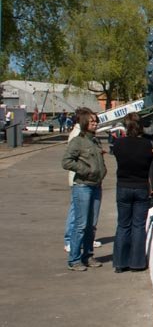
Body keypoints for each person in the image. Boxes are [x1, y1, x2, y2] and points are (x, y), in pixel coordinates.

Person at [61, 109, 106, 271]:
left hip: (96, 185)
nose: (96, 124)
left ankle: (88, 255)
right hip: (83, 186)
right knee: (80, 224)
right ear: (85, 123)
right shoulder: (77, 141)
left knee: (91, 225)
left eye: (96, 121)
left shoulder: (95, 140)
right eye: (93, 121)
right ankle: (74, 259)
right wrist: (85, 169)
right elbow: (66, 162)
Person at [111, 112, 153, 273]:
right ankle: (137, 263)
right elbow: (151, 162)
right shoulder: (147, 145)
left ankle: (120, 263)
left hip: (123, 185)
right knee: (138, 226)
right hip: (141, 186)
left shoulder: (118, 144)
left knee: (123, 225)